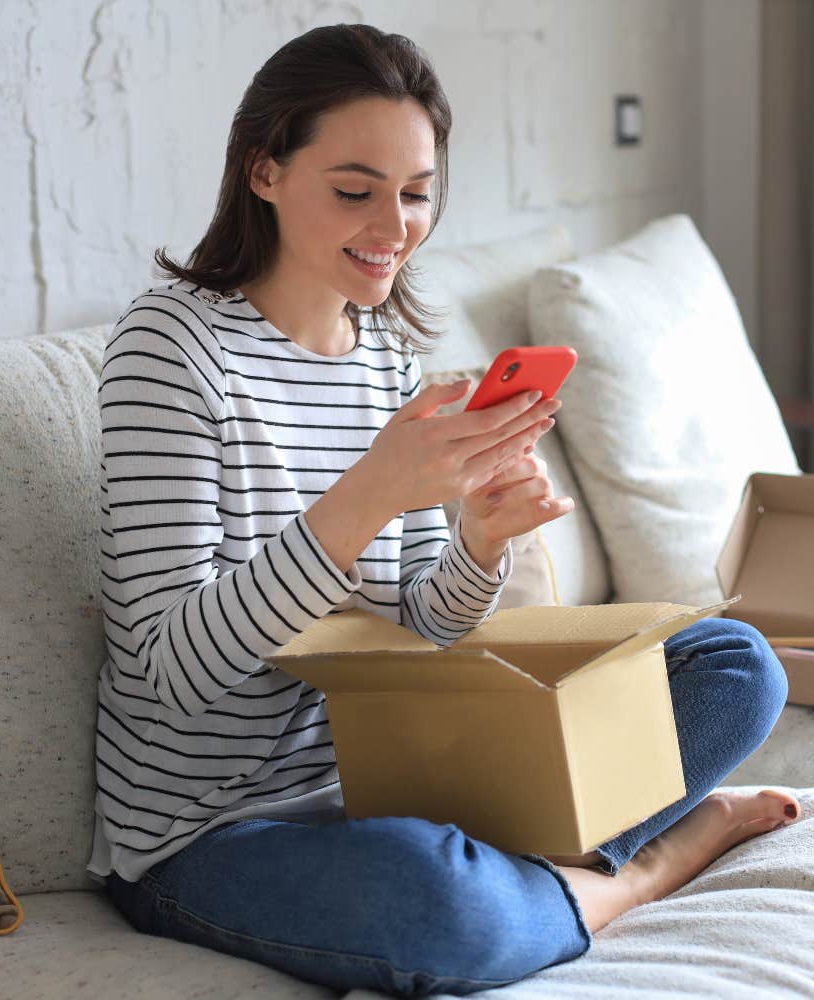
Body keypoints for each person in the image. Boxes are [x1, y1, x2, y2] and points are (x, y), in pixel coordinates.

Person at [89, 22, 801, 998]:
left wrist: (479, 542)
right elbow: (176, 669)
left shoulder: (384, 353)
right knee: (442, 907)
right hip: (219, 827)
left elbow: (427, 621)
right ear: (263, 171)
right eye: (354, 190)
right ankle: (640, 867)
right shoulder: (169, 350)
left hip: (401, 773)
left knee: (732, 665)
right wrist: (368, 494)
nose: (394, 225)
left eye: (416, 193)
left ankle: (531, 874)